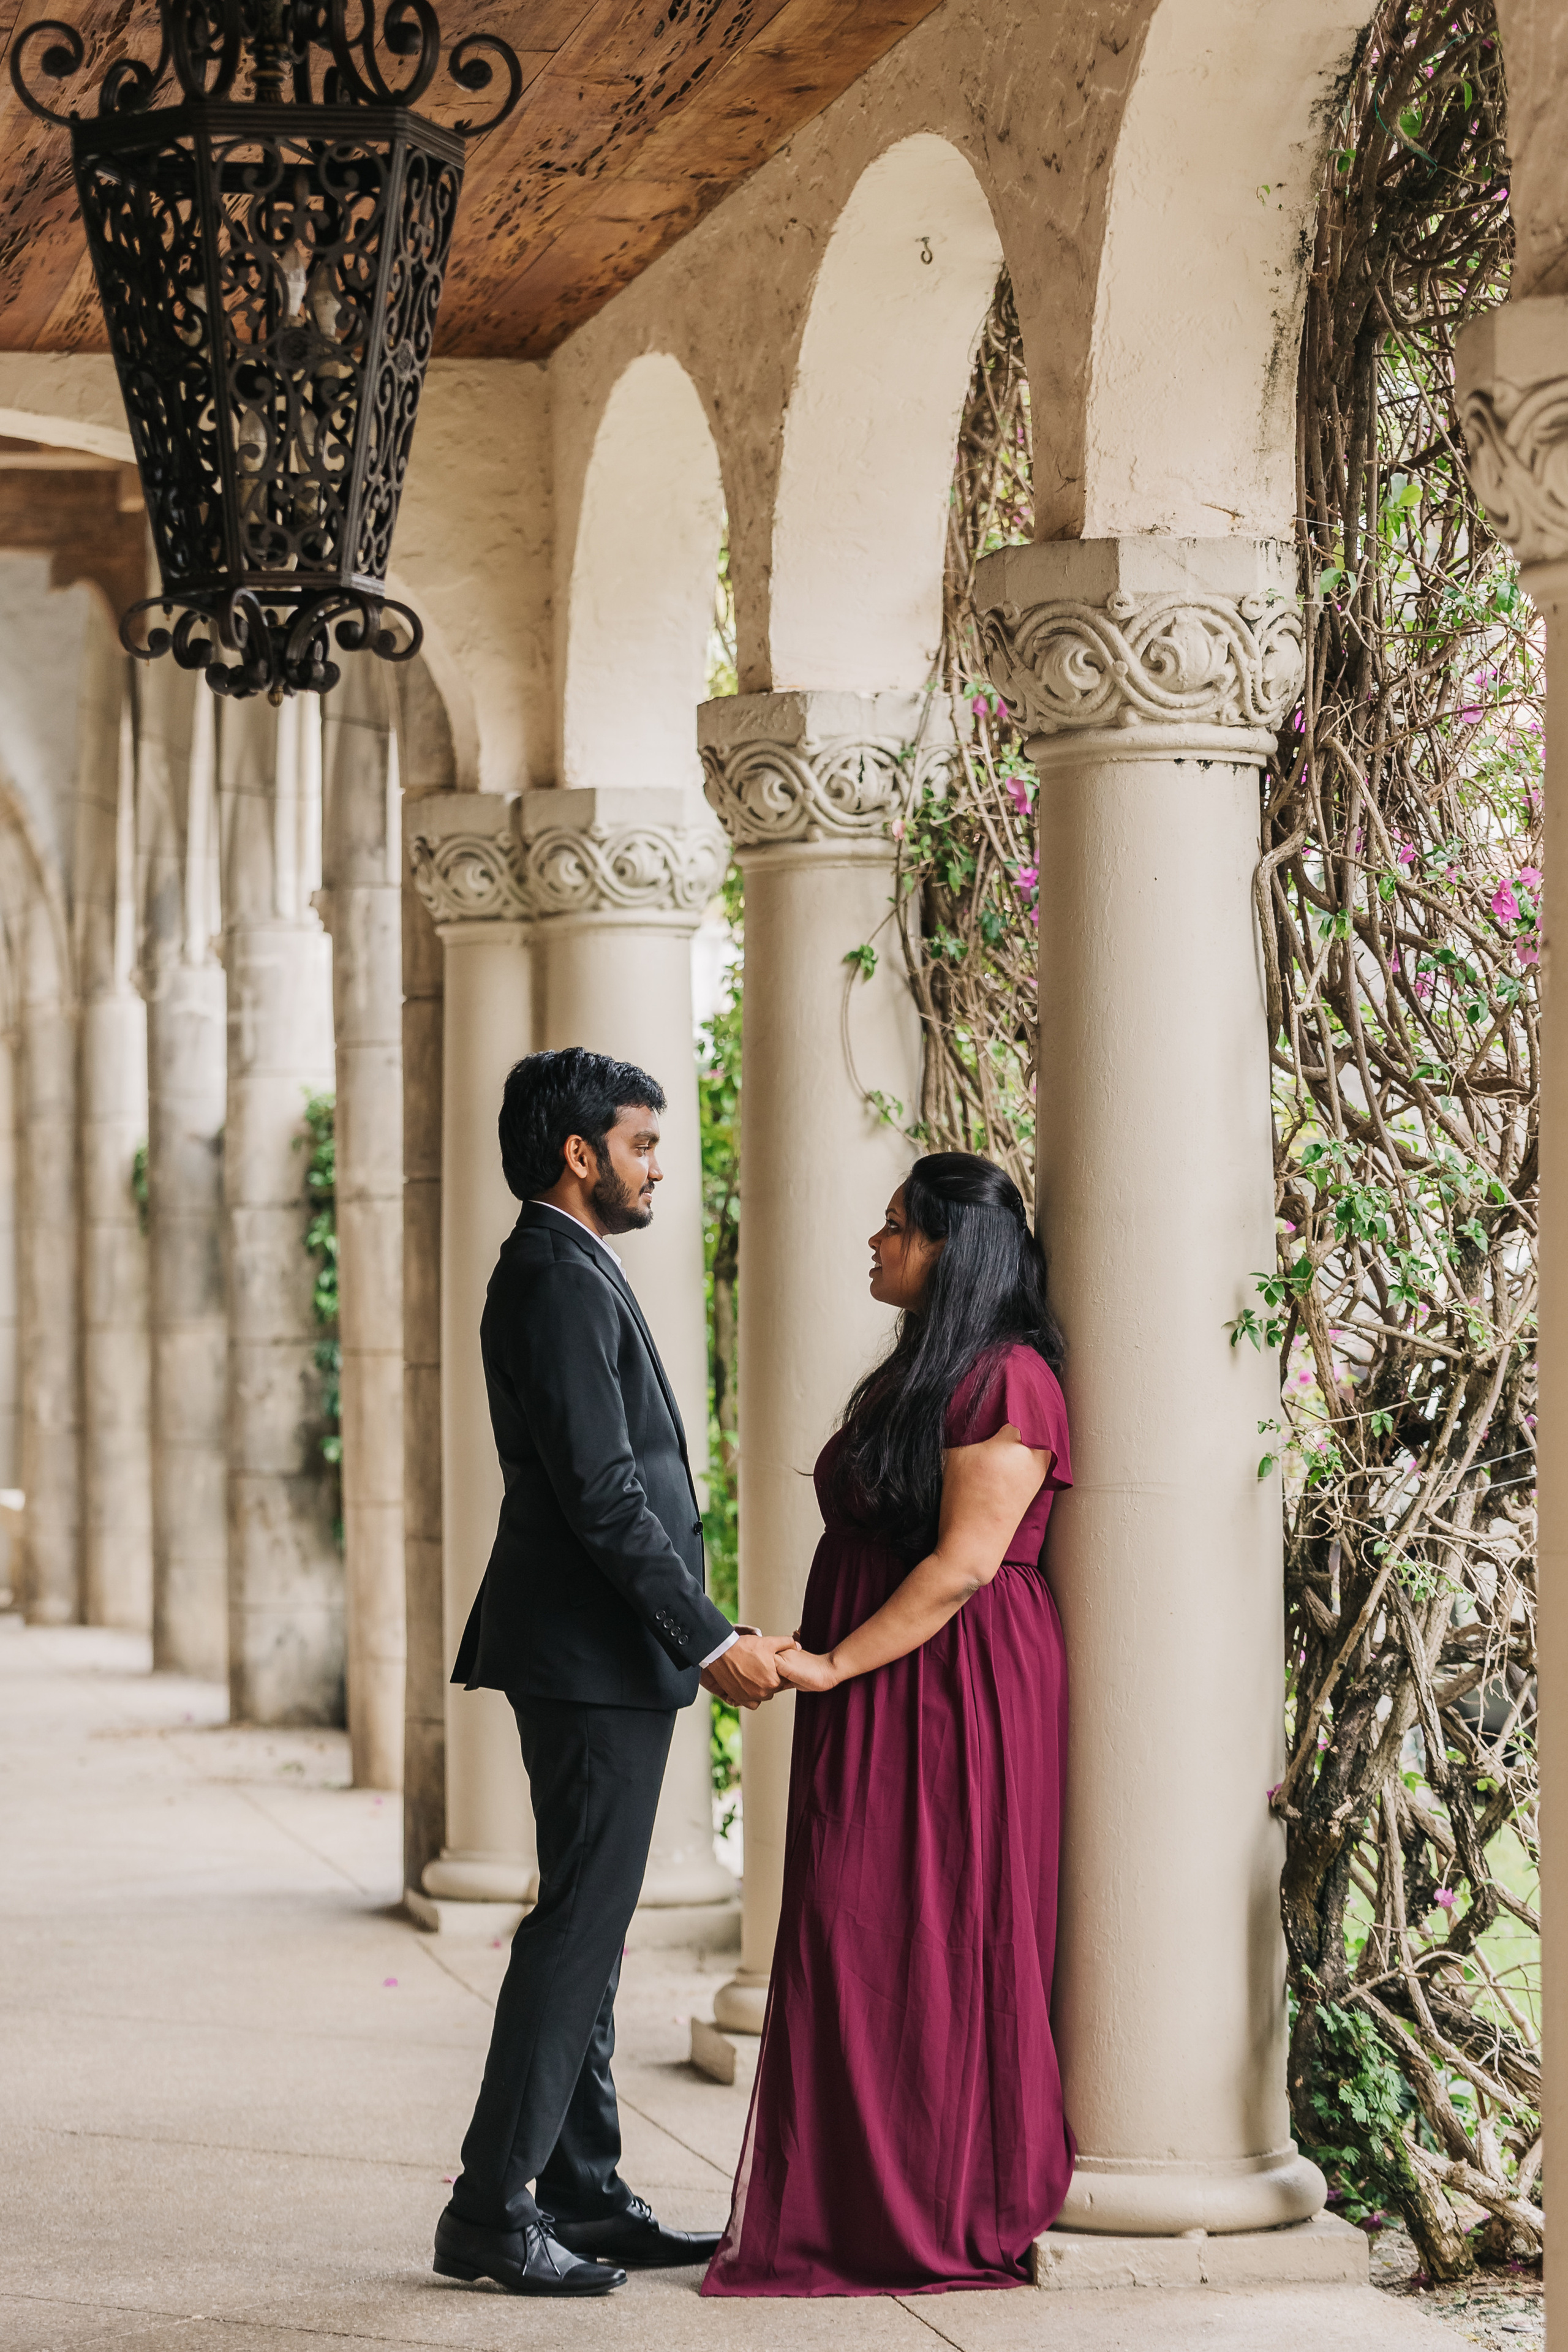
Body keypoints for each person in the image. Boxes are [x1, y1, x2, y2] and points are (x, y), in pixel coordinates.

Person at [433, 1047, 793, 2299]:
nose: (657, 1166)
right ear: (578, 1153)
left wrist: (694, 1626)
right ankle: (491, 2207)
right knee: (577, 1927)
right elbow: (601, 1493)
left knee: (585, 1926)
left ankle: (579, 2194)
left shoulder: (566, 1266)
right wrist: (705, 1636)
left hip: (589, 1650)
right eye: (641, 1144)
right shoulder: (552, 1275)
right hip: (589, 1657)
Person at [702, 1152, 1076, 2296]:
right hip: (882, 1685)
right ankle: (852, 2202)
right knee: (856, 1933)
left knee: (938, 1927)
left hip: (951, 1688)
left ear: (953, 1250)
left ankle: (941, 2200)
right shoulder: (930, 1371)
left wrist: (828, 1663)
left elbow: (967, 1565)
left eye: (898, 1226)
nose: (877, 1242)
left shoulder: (1008, 1381)